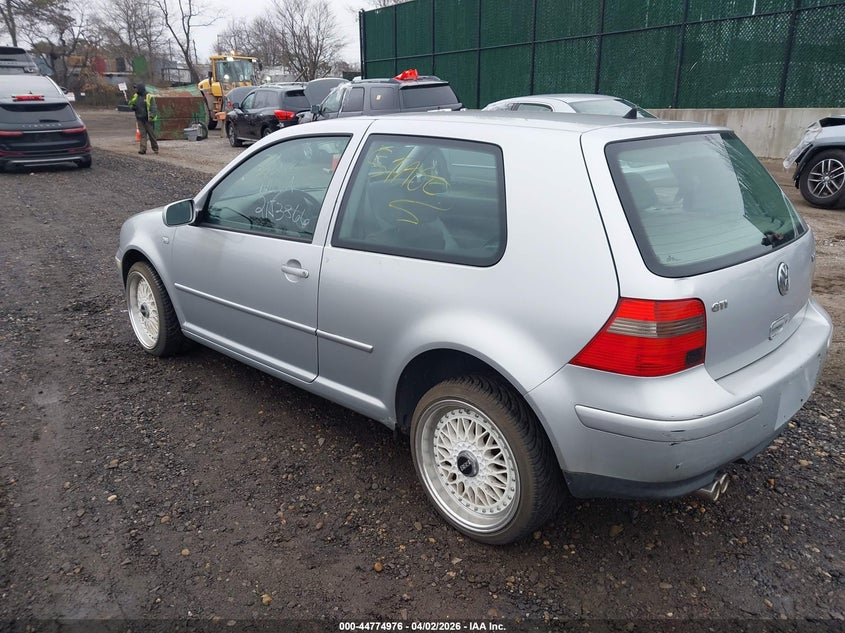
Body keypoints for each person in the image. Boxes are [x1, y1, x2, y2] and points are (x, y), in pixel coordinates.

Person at [128, 83, 159, 155]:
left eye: (136, 88)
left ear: (140, 88)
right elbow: (131, 104)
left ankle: (155, 148)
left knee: (151, 135)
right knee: (143, 135)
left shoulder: (149, 96)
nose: (135, 89)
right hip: (140, 118)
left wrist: (152, 116)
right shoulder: (136, 96)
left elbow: (154, 107)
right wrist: (132, 107)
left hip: (148, 119)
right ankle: (143, 149)